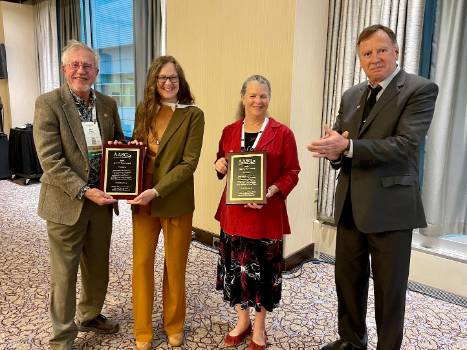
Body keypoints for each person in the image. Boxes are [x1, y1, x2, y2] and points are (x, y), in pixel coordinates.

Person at [307, 25, 439, 350]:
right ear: (360, 60)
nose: (374, 58)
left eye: (381, 50)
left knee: (388, 292)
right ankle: (351, 342)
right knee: (347, 285)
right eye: (367, 53)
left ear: (396, 51)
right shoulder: (351, 96)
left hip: (391, 210)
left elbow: (406, 145)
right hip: (350, 206)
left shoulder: (419, 90)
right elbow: (340, 143)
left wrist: (349, 148)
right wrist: (333, 152)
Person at [33, 40, 123, 349]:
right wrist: (85, 190)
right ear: (64, 69)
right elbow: (50, 161)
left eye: (87, 66)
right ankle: (62, 337)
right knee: (65, 273)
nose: (80, 70)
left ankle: (90, 315)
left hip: (102, 204)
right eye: (75, 65)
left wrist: (128, 171)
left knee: (98, 267)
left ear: (97, 71)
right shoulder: (49, 103)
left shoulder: (108, 105)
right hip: (66, 203)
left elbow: (120, 146)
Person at [214, 75, 300, 350]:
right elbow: (219, 158)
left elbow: (293, 171)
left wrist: (272, 190)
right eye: (252, 95)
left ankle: (259, 328)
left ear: (269, 99)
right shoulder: (229, 130)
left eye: (263, 96)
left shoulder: (282, 133)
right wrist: (218, 164)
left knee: (261, 274)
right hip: (234, 216)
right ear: (243, 98)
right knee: (235, 271)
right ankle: (242, 322)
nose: (257, 101)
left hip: (266, 216)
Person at [127, 56, 205, 350]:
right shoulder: (144, 110)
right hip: (142, 200)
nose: (168, 83)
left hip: (174, 200)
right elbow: (136, 147)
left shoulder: (193, 115)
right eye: (162, 78)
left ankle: (174, 325)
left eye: (173, 77)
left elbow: (189, 164)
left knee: (174, 267)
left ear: (180, 80)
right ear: (154, 82)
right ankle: (143, 331)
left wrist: (157, 190)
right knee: (142, 265)